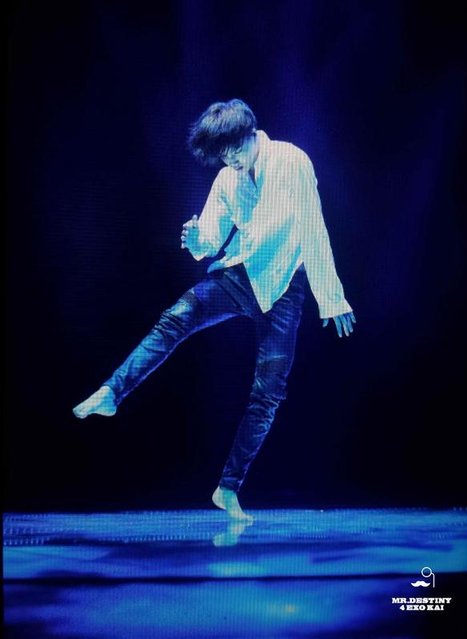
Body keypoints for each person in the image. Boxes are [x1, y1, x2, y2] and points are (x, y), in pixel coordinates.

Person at [73, 99, 356, 521]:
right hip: (240, 274)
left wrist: (331, 298)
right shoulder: (227, 178)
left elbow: (313, 227)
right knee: (175, 318)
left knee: (268, 393)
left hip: (285, 287)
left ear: (250, 133)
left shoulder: (291, 160)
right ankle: (113, 392)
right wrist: (194, 237)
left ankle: (228, 489)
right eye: (223, 155)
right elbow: (209, 238)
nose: (231, 159)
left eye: (234, 149)